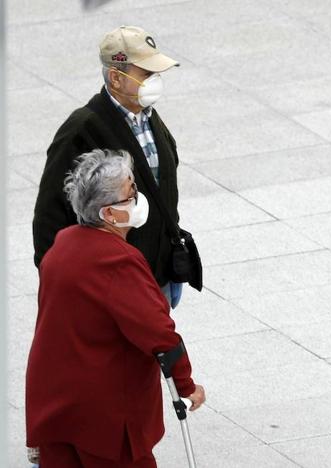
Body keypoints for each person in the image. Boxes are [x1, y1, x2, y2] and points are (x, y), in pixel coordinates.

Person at [25, 149, 205, 468]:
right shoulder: (117, 261)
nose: (137, 196)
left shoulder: (62, 245)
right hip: (105, 416)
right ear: (109, 213)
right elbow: (158, 332)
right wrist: (187, 385)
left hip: (55, 405)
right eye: (130, 191)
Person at [33, 25, 187, 308]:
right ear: (116, 78)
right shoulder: (81, 129)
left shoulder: (149, 117)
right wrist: (60, 283)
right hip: (111, 285)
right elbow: (49, 216)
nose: (155, 80)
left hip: (155, 277)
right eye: (147, 74)